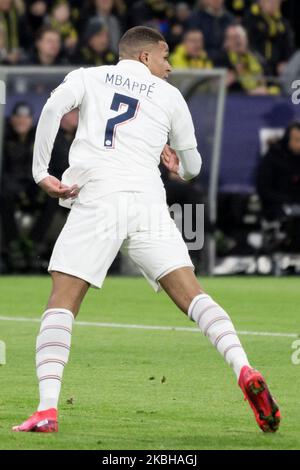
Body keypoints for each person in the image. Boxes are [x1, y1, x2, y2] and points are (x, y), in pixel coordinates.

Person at [13, 26, 280, 434]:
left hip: (98, 195)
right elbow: (193, 168)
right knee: (194, 295)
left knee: (63, 299)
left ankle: (47, 408)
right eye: (165, 55)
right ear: (143, 57)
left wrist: (40, 173)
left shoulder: (88, 76)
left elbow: (51, 110)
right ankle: (244, 366)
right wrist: (176, 167)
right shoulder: (171, 97)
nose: (171, 66)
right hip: (148, 203)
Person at [243, 0, 295, 76]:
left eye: (277, 2)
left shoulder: (283, 23)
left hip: (278, 68)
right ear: (261, 2)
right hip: (256, 66)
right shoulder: (250, 20)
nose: (274, 4)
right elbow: (248, 45)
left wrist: (286, 62)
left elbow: (289, 46)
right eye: (270, 1)